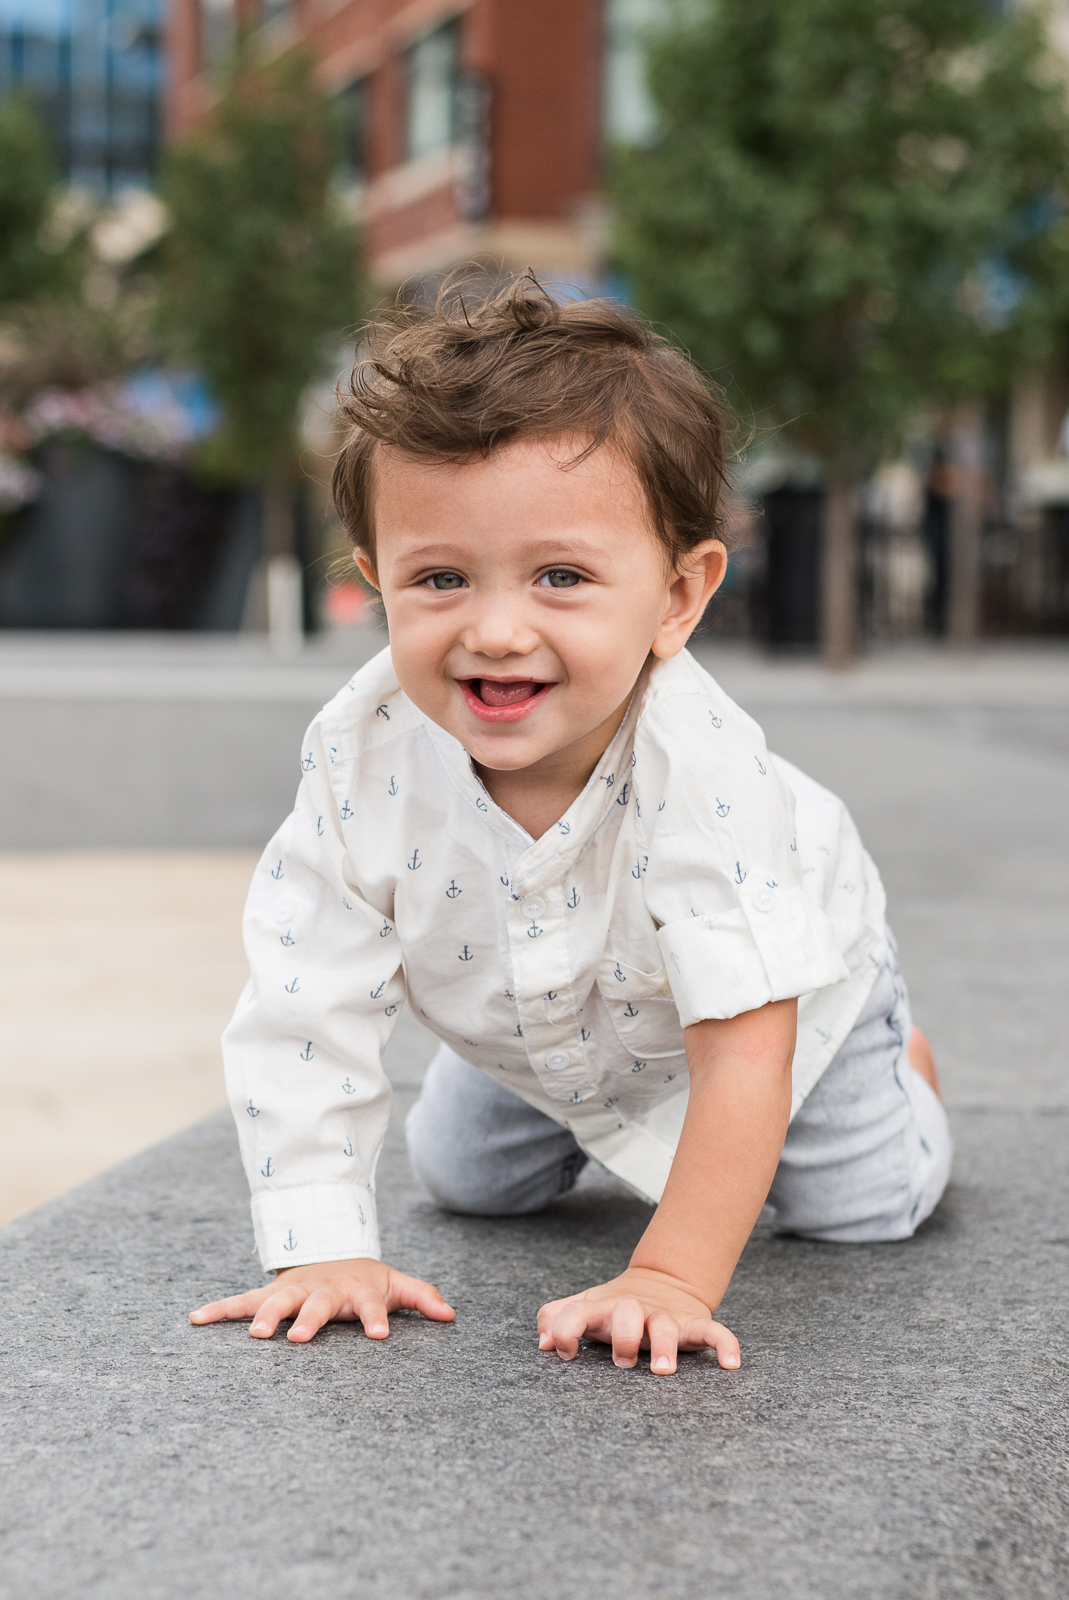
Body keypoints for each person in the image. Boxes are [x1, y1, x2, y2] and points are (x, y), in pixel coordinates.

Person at [191, 275, 951, 1375]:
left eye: (561, 577)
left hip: (778, 1006)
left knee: (857, 1207)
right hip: (540, 1015)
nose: (498, 629)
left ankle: (905, 1069)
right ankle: (567, 1100)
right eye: (441, 578)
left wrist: (668, 1277)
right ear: (376, 585)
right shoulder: (363, 758)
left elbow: (743, 1051)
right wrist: (320, 1249)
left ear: (678, 598)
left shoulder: (701, 771)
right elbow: (304, 995)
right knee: (463, 1178)